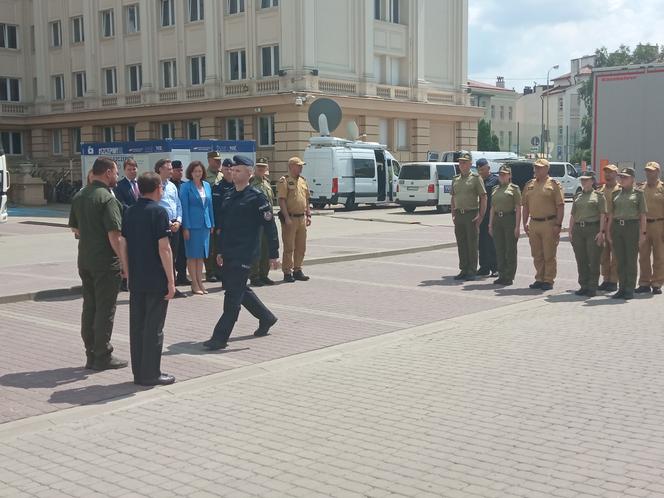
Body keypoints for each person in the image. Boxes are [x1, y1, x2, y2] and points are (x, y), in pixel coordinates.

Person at [204, 155, 280, 351]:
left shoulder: (257, 197)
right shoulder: (229, 195)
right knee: (238, 289)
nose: (233, 173)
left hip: (245, 254)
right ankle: (266, 317)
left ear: (250, 173)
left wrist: (273, 254)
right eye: (233, 170)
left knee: (232, 295)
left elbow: (270, 227)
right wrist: (219, 250)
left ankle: (220, 337)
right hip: (229, 251)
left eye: (238, 170)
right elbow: (225, 227)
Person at [68, 157, 128, 371]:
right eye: (116, 172)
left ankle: (91, 353)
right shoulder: (107, 198)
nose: (117, 176)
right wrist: (123, 263)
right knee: (105, 309)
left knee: (89, 307)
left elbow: (75, 229)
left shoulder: (80, 194)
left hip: (85, 259)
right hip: (105, 262)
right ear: (108, 172)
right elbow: (115, 235)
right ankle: (103, 355)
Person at [121, 172, 176, 386]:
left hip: (136, 277)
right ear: (156, 189)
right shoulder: (159, 212)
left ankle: (139, 373)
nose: (162, 190)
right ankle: (151, 374)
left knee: (138, 326)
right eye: (161, 187)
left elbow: (123, 244)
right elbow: (165, 248)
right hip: (155, 278)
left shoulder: (130, 211)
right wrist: (171, 281)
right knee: (154, 327)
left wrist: (127, 272)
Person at [521, 158, 565, 291]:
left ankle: (548, 279)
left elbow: (560, 206)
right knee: (537, 254)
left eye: (539, 167)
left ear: (546, 169)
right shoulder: (529, 184)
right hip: (534, 223)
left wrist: (558, 224)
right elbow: (526, 206)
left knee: (549, 254)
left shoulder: (553, 184)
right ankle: (539, 278)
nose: (536, 170)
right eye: (535, 167)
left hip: (549, 223)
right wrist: (524, 223)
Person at [607, 167, 647, 300]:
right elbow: (611, 214)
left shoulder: (639, 194)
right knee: (619, 259)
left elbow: (643, 215)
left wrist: (643, 233)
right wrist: (608, 231)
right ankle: (621, 288)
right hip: (618, 227)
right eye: (621, 177)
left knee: (630, 260)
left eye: (625, 177)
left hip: (632, 227)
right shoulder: (615, 194)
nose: (622, 179)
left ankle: (629, 288)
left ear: (632, 179)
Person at [568, 172, 606, 298]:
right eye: (582, 179)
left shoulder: (599, 196)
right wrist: (570, 230)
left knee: (593, 259)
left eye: (586, 180)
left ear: (592, 181)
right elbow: (573, 215)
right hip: (578, 229)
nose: (583, 182)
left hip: (592, 229)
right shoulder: (578, 196)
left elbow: (602, 215)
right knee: (581, 259)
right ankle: (583, 285)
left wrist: (601, 232)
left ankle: (592, 286)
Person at [451, 151, 487, 281]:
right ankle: (464, 269)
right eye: (460, 162)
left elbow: (483, 197)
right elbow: (453, 197)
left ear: (470, 164)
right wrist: (453, 213)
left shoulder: (476, 178)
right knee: (461, 243)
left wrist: (481, 215)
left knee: (472, 244)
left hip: (471, 213)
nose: (461, 164)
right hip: (459, 214)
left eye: (464, 162)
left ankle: (471, 270)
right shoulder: (456, 179)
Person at [180, 160, 214, 295]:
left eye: (200, 171)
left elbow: (210, 206)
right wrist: (186, 227)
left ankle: (200, 282)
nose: (198, 174)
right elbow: (184, 208)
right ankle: (194, 283)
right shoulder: (185, 187)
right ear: (191, 173)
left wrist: (212, 223)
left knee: (201, 256)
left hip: (205, 225)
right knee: (192, 255)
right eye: (195, 171)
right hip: (192, 226)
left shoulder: (206, 185)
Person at [155, 158, 186, 298]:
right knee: (163, 257)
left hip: (175, 225)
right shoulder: (154, 185)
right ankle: (163, 286)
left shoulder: (172, 186)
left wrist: (178, 221)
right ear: (160, 169)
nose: (171, 171)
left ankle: (172, 286)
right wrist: (167, 223)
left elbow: (178, 205)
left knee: (173, 256)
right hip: (162, 225)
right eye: (168, 168)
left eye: (171, 168)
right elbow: (154, 206)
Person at [278, 157, 312, 283]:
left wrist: (308, 214)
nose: (301, 167)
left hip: (301, 218)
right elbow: (281, 200)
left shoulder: (303, 181)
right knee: (289, 247)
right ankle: (287, 271)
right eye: (298, 165)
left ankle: (298, 269)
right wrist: (286, 217)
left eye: (301, 165)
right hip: (290, 218)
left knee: (301, 246)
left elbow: (307, 199)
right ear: (291, 166)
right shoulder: (284, 181)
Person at [488, 166, 521, 286]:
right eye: (500, 174)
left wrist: (517, 226)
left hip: (509, 219)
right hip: (497, 220)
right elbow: (492, 208)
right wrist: (490, 225)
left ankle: (509, 276)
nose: (502, 176)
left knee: (510, 250)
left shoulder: (514, 189)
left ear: (509, 176)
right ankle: (501, 274)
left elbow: (518, 208)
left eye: (505, 174)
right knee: (499, 249)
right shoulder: (495, 189)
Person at [636, 161, 664, 295]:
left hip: (660, 224)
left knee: (659, 255)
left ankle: (657, 283)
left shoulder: (662, 188)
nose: (649, 173)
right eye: (647, 170)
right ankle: (644, 282)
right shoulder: (641, 188)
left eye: (651, 171)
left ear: (658, 172)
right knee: (643, 256)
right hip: (644, 225)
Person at [114, 159, 140, 291]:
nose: (132, 171)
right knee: (126, 252)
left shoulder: (141, 184)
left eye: (134, 169)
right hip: (128, 224)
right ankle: (124, 280)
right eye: (129, 169)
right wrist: (138, 211)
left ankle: (135, 278)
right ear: (125, 170)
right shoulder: (119, 186)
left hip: (140, 225)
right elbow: (121, 204)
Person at [249, 159, 276, 287]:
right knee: (256, 249)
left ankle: (264, 274)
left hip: (268, 220)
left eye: (263, 168)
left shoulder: (267, 182)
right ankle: (254, 276)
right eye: (259, 167)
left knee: (266, 248)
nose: (261, 170)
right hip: (256, 221)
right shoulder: (251, 183)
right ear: (255, 169)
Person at [598, 164, 620, 292]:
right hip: (602, 225)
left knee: (616, 255)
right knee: (603, 255)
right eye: (606, 172)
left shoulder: (620, 190)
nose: (607, 174)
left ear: (616, 174)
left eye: (610, 172)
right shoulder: (600, 191)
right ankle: (606, 279)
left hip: (615, 226)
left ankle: (613, 280)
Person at [477, 158, 499, 277]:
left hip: (492, 216)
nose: (480, 172)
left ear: (488, 168)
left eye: (483, 169)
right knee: (481, 243)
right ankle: (484, 267)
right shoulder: (477, 180)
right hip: (481, 215)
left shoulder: (495, 180)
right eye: (479, 170)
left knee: (492, 243)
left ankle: (495, 267)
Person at [205, 151, 224, 283]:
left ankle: (219, 270)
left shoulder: (222, 175)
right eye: (216, 160)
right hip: (210, 213)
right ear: (209, 160)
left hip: (221, 214)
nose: (218, 162)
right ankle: (210, 272)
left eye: (219, 160)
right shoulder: (205, 176)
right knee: (210, 246)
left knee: (220, 245)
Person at [170, 160, 190, 286]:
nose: (180, 172)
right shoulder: (169, 185)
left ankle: (182, 275)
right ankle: (172, 277)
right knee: (173, 252)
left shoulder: (184, 185)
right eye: (178, 170)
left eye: (181, 170)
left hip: (183, 221)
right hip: (173, 223)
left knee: (183, 252)